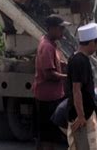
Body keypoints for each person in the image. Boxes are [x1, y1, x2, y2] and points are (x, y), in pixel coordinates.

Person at [34, 15, 70, 150]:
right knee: (47, 136)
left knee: (48, 134)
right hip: (47, 98)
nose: (63, 31)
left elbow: (53, 63)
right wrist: (68, 77)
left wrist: (64, 64)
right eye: (61, 28)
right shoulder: (47, 46)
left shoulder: (51, 44)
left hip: (51, 96)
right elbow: (49, 74)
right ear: (52, 29)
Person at [66, 23, 97, 150]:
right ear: (92, 42)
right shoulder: (79, 61)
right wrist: (80, 116)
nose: (96, 48)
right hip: (80, 116)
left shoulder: (81, 59)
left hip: (86, 114)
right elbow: (76, 90)